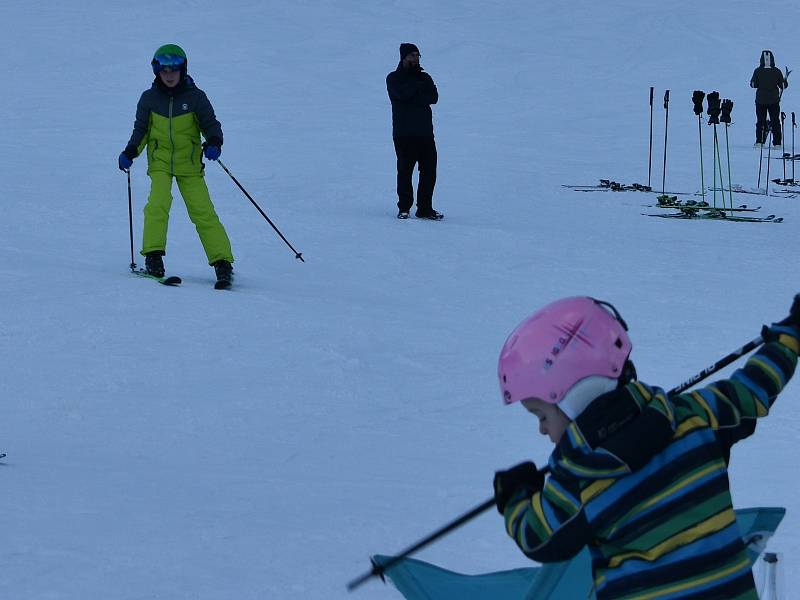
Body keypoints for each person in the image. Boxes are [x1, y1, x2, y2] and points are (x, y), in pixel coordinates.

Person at [493, 295, 800, 599]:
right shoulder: (692, 416)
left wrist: (515, 496)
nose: (542, 428)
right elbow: (753, 389)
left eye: (542, 415)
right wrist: (789, 338)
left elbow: (539, 536)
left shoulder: (579, 477)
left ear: (573, 398)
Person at [118, 44, 234, 285]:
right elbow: (141, 131)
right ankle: (153, 257)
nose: (169, 75)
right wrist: (130, 151)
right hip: (160, 163)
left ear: (183, 70)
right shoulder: (149, 99)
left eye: (174, 70)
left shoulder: (195, 98)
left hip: (189, 165)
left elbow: (211, 124)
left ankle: (222, 263)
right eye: (164, 71)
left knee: (203, 212)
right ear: (157, 72)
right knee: (157, 205)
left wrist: (214, 142)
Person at [386, 43, 443, 220]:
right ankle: (404, 207)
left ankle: (424, 208)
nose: (416, 58)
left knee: (429, 171)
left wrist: (415, 93)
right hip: (404, 134)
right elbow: (402, 95)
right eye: (412, 55)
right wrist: (417, 91)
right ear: (403, 57)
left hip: (425, 133)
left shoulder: (425, 77)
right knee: (405, 171)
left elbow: (433, 97)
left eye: (418, 55)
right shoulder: (393, 78)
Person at [750, 49, 790, 146]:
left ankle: (759, 141)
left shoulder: (758, 71)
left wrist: (754, 82)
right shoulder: (776, 71)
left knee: (760, 121)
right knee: (775, 121)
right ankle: (777, 143)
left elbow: (753, 84)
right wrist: (784, 82)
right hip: (774, 101)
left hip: (761, 100)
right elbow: (783, 86)